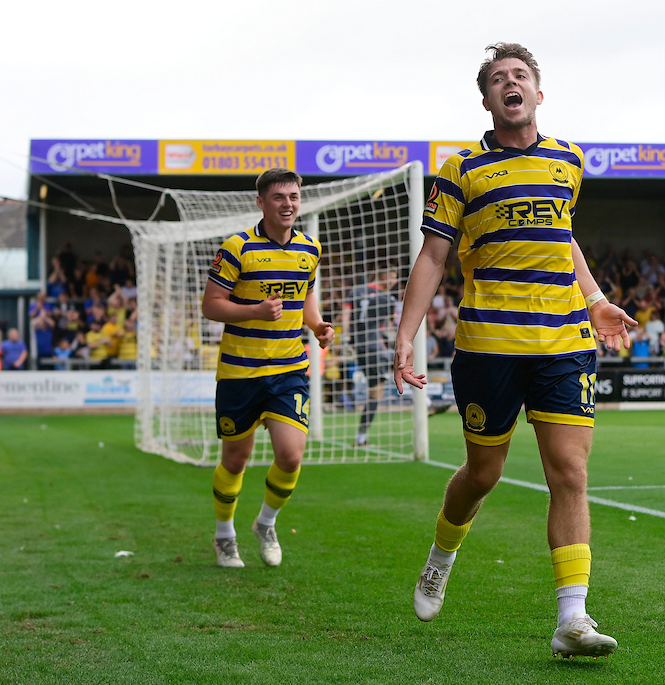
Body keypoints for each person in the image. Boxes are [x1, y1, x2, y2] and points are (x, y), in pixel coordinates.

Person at [392, 43, 634, 659]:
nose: (510, 84)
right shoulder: (461, 168)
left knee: (570, 473)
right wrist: (405, 337)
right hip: (489, 345)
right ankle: (441, 556)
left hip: (563, 341)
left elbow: (562, 236)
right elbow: (434, 256)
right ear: (487, 100)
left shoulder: (568, 160)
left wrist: (596, 298)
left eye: (520, 75)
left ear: (538, 92)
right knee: (484, 473)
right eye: (499, 79)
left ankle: (572, 620)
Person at [200, 168, 335, 569]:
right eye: (279, 197)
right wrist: (256, 311)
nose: (288, 203)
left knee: (291, 456)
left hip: (289, 369)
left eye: (293, 196)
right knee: (235, 461)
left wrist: (318, 326)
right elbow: (210, 306)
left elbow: (306, 298)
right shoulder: (237, 248)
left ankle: (266, 523)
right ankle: (225, 535)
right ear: (261, 202)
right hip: (239, 373)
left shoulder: (311, 248)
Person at [340, 268, 397, 445]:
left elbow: (345, 315)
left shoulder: (356, 290)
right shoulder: (388, 299)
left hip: (359, 345)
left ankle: (361, 437)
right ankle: (361, 437)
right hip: (375, 346)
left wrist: (346, 338)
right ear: (385, 276)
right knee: (377, 391)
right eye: (393, 278)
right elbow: (389, 326)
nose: (394, 282)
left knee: (377, 389)